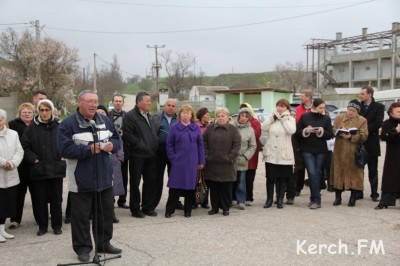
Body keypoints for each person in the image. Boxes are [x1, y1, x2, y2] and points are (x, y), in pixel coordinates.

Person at [57, 90, 122, 262]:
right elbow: (64, 149)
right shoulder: (67, 124)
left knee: (105, 214)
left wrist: (112, 146)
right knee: (81, 218)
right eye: (90, 101)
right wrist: (87, 150)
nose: (94, 104)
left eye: (96, 101)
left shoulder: (104, 120)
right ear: (79, 102)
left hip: (104, 178)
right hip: (81, 180)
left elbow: (116, 140)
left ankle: (103, 243)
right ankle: (83, 248)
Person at [21, 99, 66, 236]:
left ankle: (57, 226)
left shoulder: (59, 125)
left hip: (56, 168)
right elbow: (25, 146)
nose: (44, 113)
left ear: (51, 111)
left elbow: (67, 141)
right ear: (38, 111)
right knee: (40, 200)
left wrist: (63, 154)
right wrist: (33, 159)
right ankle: (42, 226)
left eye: (47, 110)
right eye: (42, 110)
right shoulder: (31, 128)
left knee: (56, 199)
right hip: (39, 168)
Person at [164, 105, 205, 218]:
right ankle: (169, 210)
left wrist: (201, 161)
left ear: (191, 115)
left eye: (188, 113)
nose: (185, 115)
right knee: (175, 187)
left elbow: (200, 145)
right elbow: (169, 144)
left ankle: (188, 210)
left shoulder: (195, 127)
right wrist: (173, 158)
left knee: (189, 187)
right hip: (178, 162)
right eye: (183, 113)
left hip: (192, 162)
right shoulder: (174, 127)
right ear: (180, 114)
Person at [122, 91, 158, 218]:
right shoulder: (130, 116)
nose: (149, 103)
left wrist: (154, 144)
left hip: (151, 155)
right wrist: (140, 145)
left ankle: (147, 207)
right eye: (147, 101)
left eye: (150, 101)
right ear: (138, 102)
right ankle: (135, 209)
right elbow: (127, 134)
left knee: (150, 181)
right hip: (137, 155)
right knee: (135, 183)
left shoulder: (150, 116)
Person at [296, 98, 333, 209]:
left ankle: (315, 199)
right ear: (314, 107)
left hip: (321, 150)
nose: (322, 110)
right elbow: (297, 133)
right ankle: (315, 198)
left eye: (323, 107)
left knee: (317, 173)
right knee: (312, 173)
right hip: (307, 149)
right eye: (320, 107)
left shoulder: (326, 118)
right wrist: (306, 131)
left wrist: (321, 131)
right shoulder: (305, 117)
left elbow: (330, 134)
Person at [203, 107, 241, 216]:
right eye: (218, 116)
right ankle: (214, 208)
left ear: (228, 118)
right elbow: (203, 141)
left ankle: (225, 208)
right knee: (214, 188)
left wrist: (231, 157)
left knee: (226, 188)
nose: (220, 118)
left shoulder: (233, 130)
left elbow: (237, 144)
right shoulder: (209, 128)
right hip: (212, 163)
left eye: (223, 116)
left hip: (227, 164)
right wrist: (206, 155)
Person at [331, 100, 368, 207]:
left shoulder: (362, 121)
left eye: (353, 110)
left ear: (357, 112)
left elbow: (364, 135)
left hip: (354, 152)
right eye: (349, 110)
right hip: (339, 151)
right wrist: (339, 131)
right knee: (338, 173)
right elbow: (333, 129)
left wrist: (351, 136)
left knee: (355, 175)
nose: (350, 112)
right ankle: (338, 197)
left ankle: (353, 198)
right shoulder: (339, 118)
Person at [262, 100, 296, 209]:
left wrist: (284, 119)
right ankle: (269, 199)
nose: (280, 108)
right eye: (278, 106)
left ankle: (280, 199)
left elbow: (291, 130)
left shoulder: (290, 119)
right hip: (271, 153)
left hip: (284, 154)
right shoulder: (272, 117)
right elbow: (264, 128)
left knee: (282, 178)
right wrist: (273, 118)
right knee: (270, 178)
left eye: (283, 106)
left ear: (287, 108)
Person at [7, 103, 35, 229]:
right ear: (20, 113)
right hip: (20, 164)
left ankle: (40, 218)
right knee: (19, 194)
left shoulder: (37, 124)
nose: (27, 114)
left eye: (29, 112)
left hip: (34, 163)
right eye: (24, 112)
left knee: (37, 194)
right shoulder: (13, 125)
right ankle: (15, 219)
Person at [0, 109, 24, 243]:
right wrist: (4, 163)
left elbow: (19, 150)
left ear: (4, 120)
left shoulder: (13, 134)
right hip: (1, 172)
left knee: (6, 204)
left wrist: (13, 163)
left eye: (1, 119)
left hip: (11, 174)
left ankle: (2, 229)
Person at [98, 105, 124, 223]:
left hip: (112, 160)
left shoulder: (110, 126)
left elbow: (118, 141)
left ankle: (110, 213)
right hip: (97, 161)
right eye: (98, 113)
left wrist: (119, 156)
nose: (101, 115)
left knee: (111, 189)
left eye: (103, 113)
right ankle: (95, 213)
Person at [359, 86, 385, 202]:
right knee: (358, 168)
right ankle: (358, 191)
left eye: (363, 94)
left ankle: (374, 193)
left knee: (373, 169)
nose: (361, 96)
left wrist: (364, 130)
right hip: (359, 141)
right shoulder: (358, 106)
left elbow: (378, 123)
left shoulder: (379, 107)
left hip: (372, 142)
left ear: (369, 95)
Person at [152, 99, 178, 209]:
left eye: (173, 106)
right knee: (157, 179)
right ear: (164, 106)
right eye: (169, 105)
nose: (170, 107)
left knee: (174, 179)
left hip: (174, 153)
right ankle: (152, 203)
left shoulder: (179, 118)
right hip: (159, 153)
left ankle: (174, 202)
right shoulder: (156, 117)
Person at [375, 102, 400, 209]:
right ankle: (385, 201)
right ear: (391, 113)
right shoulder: (387, 123)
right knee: (391, 178)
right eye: (398, 112)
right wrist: (396, 131)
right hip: (393, 155)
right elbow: (384, 136)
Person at [231, 108, 256, 210]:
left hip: (242, 159)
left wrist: (246, 156)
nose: (244, 118)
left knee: (241, 182)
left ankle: (241, 200)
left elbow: (253, 146)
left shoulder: (250, 130)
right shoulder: (231, 127)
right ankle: (231, 199)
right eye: (242, 115)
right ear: (239, 116)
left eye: (246, 116)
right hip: (231, 159)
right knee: (230, 181)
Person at [108, 94, 129, 209]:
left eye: (120, 101)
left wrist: (124, 134)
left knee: (124, 175)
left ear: (123, 103)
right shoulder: (107, 115)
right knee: (111, 175)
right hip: (112, 149)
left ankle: (122, 200)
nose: (118, 103)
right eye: (116, 101)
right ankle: (110, 199)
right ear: (113, 102)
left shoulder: (127, 116)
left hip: (124, 149)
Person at [239, 103, 261, 206]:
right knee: (238, 178)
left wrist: (248, 126)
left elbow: (256, 135)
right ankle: (237, 198)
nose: (244, 116)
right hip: (239, 155)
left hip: (251, 156)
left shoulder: (255, 122)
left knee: (249, 178)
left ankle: (249, 197)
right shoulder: (236, 123)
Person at [295, 89, 313, 196]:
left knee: (311, 166)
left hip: (312, 141)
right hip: (300, 140)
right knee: (300, 166)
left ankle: (314, 186)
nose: (301, 98)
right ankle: (298, 187)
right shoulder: (297, 109)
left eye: (302, 96)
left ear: (309, 98)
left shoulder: (315, 109)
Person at [195, 107, 211, 208]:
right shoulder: (196, 126)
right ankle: (195, 200)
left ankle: (204, 201)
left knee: (206, 180)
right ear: (202, 116)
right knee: (196, 180)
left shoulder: (210, 126)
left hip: (207, 155)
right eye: (207, 114)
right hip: (197, 156)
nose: (208, 116)